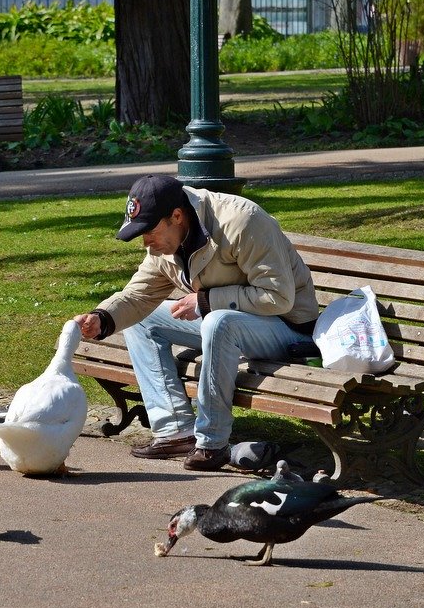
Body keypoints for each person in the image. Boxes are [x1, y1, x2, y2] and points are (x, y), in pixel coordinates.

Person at [73, 174, 320, 472]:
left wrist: (206, 301)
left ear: (176, 216)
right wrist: (102, 318)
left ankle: (212, 444)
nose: (146, 243)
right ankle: (175, 430)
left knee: (217, 322)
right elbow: (139, 296)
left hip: (288, 331)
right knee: (144, 319)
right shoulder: (163, 245)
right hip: (232, 326)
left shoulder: (241, 221)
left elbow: (279, 297)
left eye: (149, 231)